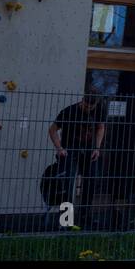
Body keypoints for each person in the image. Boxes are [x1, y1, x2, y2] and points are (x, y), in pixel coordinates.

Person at [48, 89, 107, 223]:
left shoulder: (99, 110)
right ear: (83, 100)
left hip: (89, 151)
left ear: (95, 104)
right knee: (67, 184)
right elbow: (52, 130)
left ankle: (86, 217)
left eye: (90, 107)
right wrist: (59, 148)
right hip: (70, 151)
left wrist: (97, 148)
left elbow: (101, 127)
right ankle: (66, 219)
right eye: (85, 105)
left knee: (91, 181)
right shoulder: (69, 111)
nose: (88, 109)